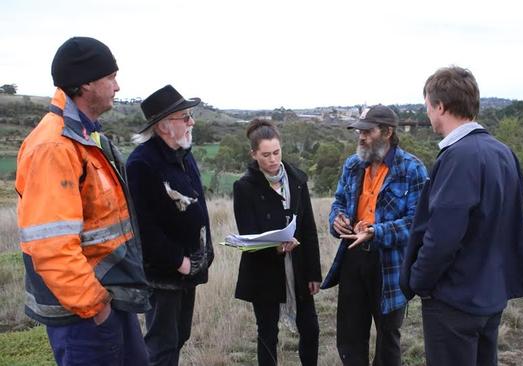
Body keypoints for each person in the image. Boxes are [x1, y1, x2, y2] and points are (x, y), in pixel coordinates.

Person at [15, 36, 150, 365]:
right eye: (111, 77)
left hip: (107, 299)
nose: (117, 87)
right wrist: (96, 307)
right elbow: (51, 245)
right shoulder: (54, 147)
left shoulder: (86, 137)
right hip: (83, 313)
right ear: (86, 84)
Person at [400, 66, 523, 366]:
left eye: (428, 107)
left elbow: (442, 237)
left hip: (454, 300)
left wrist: (419, 281)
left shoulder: (459, 156)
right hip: (490, 295)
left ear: (440, 106)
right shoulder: (502, 152)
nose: (428, 115)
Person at [321, 105, 428, 366]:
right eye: (359, 131)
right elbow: (338, 203)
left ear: (387, 132)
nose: (361, 137)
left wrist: (376, 232)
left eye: (367, 131)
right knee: (349, 334)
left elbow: (419, 222)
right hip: (353, 258)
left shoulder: (412, 169)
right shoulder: (352, 165)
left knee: (387, 336)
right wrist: (338, 220)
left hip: (389, 264)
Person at [126, 84, 214, 366]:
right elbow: (143, 226)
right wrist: (179, 262)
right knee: (161, 345)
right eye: (185, 117)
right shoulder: (141, 163)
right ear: (164, 126)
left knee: (179, 336)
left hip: (191, 267)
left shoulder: (182, 153)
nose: (192, 122)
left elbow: (197, 204)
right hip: (164, 274)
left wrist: (205, 252)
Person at [233, 119, 321, 366]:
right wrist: (275, 245)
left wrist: (314, 273)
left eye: (276, 152)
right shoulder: (244, 187)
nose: (273, 159)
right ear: (254, 154)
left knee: (311, 329)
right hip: (265, 271)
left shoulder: (297, 181)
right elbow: (248, 234)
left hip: (299, 267)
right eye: (265, 155)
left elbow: (309, 228)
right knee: (268, 334)